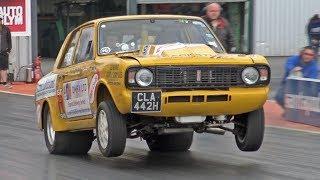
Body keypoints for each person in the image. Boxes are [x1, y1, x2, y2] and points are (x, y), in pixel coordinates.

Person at [0, 16, 12, 88]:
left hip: (4, 51)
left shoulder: (6, 29)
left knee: (4, 68)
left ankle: (4, 83)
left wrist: (9, 50)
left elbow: (9, 40)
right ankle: (1, 82)